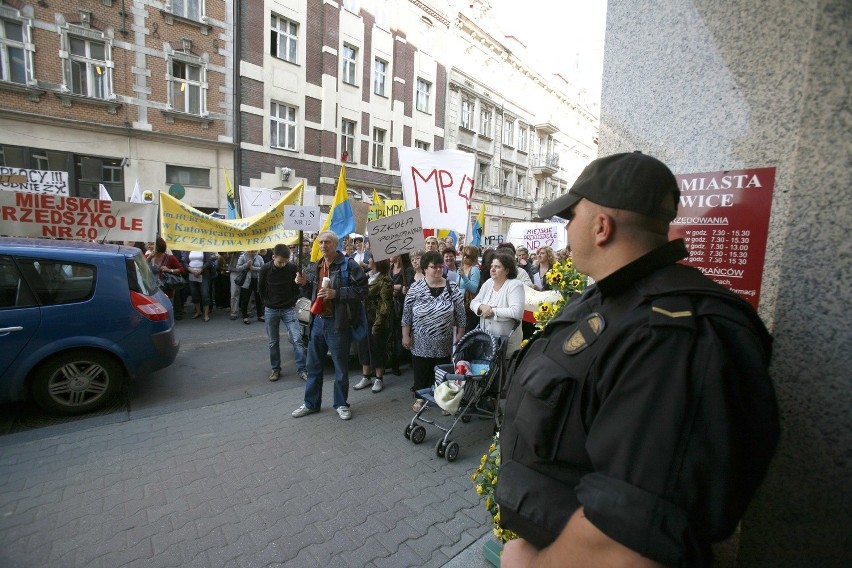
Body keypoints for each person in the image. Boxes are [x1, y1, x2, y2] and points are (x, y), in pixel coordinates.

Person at [497, 152, 779, 567]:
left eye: (571, 216)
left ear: (601, 227)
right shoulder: (615, 299)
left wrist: (535, 564)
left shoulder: (670, 337)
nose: (566, 228)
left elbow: (630, 538)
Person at [292, 231, 368, 421]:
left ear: (336, 244)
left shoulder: (348, 265)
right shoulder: (316, 266)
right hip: (317, 321)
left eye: (327, 242)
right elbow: (311, 290)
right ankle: (311, 403)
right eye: (321, 243)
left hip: (338, 322)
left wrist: (337, 293)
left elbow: (362, 291)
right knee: (314, 365)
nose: (323, 246)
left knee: (340, 367)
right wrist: (302, 283)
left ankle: (341, 404)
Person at [401, 250, 465, 412]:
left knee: (443, 372)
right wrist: (405, 336)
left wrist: (460, 334)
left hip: (444, 341)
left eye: (440, 266)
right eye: (433, 267)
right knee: (421, 371)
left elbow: (460, 313)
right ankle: (420, 399)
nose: (438, 270)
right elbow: (407, 314)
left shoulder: (452, 287)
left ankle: (444, 400)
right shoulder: (415, 288)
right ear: (425, 269)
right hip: (421, 340)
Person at [259, 244, 307, 382]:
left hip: (288, 308)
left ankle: (302, 369)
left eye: (285, 262)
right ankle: (275, 369)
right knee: (273, 342)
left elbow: (297, 287)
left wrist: (293, 301)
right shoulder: (265, 269)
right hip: (271, 309)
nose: (282, 265)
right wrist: (267, 303)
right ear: (273, 257)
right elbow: (261, 289)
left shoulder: (292, 268)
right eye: (280, 262)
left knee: (297, 339)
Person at [469, 252, 525, 356]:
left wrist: (492, 311)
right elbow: (473, 302)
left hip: (506, 345)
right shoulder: (489, 283)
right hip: (486, 343)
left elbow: (517, 312)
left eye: (497, 267)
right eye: (491, 266)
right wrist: (481, 307)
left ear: (507, 270)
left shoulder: (515, 285)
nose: (492, 269)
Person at [352, 257, 394, 393]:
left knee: (377, 348)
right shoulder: (365, 276)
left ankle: (378, 378)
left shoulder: (385, 280)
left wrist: (378, 323)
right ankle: (366, 376)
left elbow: (385, 304)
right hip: (363, 318)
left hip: (376, 319)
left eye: (370, 258)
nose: (368, 260)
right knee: (363, 346)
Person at [183, 250, 217, 321]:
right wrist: (191, 270)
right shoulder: (189, 249)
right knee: (194, 292)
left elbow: (209, 261)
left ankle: (206, 314)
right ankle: (198, 311)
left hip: (204, 274)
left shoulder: (204, 249)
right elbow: (185, 262)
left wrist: (200, 270)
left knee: (205, 293)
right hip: (192, 274)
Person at [147, 237, 184, 304]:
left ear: (159, 246)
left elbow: (181, 270)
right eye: (148, 244)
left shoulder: (170, 258)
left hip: (166, 290)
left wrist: (170, 270)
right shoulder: (147, 256)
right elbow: (141, 269)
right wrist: (149, 258)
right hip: (151, 290)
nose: (149, 246)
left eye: (152, 244)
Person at [457, 245, 481, 334]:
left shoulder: (474, 270)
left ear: (474, 258)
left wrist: (464, 276)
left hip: (468, 305)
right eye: (464, 254)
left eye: (468, 255)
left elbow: (473, 289)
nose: (465, 257)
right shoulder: (460, 268)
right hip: (459, 304)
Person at [236, 250, 265, 324]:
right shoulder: (243, 256)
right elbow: (238, 268)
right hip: (247, 281)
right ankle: (245, 317)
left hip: (257, 280)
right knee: (245, 299)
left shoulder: (259, 257)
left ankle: (260, 315)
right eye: (252, 252)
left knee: (258, 298)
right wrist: (246, 265)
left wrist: (254, 268)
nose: (254, 253)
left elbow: (263, 268)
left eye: (255, 252)